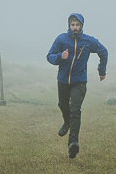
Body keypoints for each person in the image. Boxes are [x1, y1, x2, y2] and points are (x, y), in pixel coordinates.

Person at [46, 13, 108, 158]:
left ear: (81, 26)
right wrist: (60, 57)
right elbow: (49, 56)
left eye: (77, 25)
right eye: (72, 25)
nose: (74, 28)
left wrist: (102, 71)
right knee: (62, 105)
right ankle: (67, 122)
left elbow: (103, 52)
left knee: (75, 109)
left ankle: (73, 143)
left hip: (79, 81)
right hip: (63, 80)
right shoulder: (61, 39)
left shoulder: (88, 41)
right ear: (69, 25)